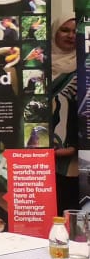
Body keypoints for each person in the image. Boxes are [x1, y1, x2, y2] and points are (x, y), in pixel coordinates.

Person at [49, 13, 81, 212]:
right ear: (54, 32)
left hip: (72, 160)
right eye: (64, 30)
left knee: (69, 211)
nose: (70, 35)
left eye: (75, 32)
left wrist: (74, 146)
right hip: (36, 157)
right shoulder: (37, 65)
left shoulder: (84, 67)